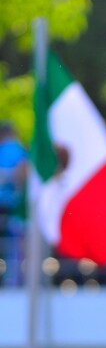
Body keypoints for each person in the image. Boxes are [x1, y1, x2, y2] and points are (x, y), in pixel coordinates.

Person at [0, 121, 28, 287]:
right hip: (15, 208)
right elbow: (23, 174)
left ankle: (12, 279)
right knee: (15, 247)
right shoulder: (21, 152)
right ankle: (13, 280)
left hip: (7, 206)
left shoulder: (5, 150)